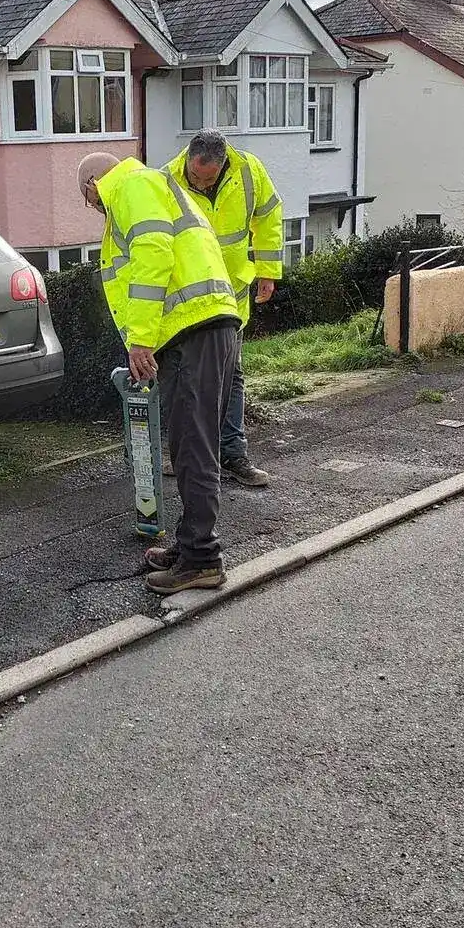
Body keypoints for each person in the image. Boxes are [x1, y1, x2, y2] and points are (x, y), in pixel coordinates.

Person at [79, 151, 240, 593]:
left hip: (192, 331)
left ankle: (202, 559)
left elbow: (153, 256)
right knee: (193, 445)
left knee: (193, 449)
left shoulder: (128, 187)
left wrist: (141, 339)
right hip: (206, 326)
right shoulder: (156, 185)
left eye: (89, 200)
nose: (95, 207)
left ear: (93, 184)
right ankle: (191, 546)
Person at [164, 129, 283, 489]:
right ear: (188, 158)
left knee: (232, 376)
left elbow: (269, 215)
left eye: (208, 178)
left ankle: (232, 454)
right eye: (195, 176)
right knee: (181, 378)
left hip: (230, 296)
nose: (200, 183)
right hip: (187, 302)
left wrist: (267, 269)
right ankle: (177, 453)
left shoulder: (249, 170)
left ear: (223, 162)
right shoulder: (167, 179)